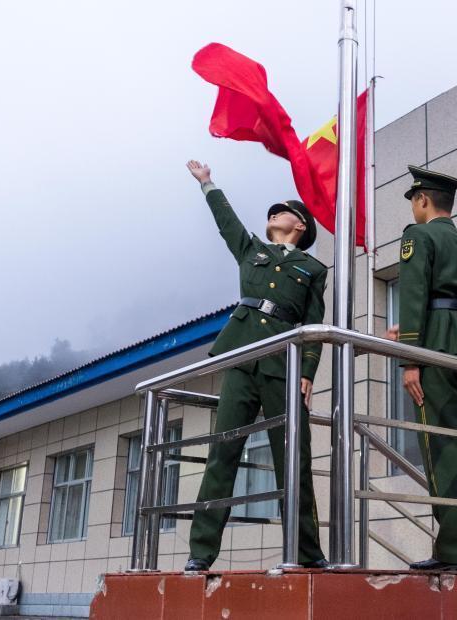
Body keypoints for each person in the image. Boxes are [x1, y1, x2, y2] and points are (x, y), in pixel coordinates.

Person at [183, 159, 328, 571]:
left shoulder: (313, 269)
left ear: (299, 225)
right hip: (242, 357)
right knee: (222, 454)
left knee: (293, 460)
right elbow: (226, 222)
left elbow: (314, 323)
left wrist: (307, 372)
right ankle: (201, 553)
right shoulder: (251, 251)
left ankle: (308, 554)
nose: (271, 216)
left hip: (283, 363)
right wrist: (208, 183)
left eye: (280, 211)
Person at [386, 165, 457, 572]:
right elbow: (452, 302)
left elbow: (414, 295)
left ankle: (453, 553)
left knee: (441, 448)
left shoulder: (418, 235)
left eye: (414, 201)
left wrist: (412, 359)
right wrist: (419, 333)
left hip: (436, 353)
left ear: (423, 200)